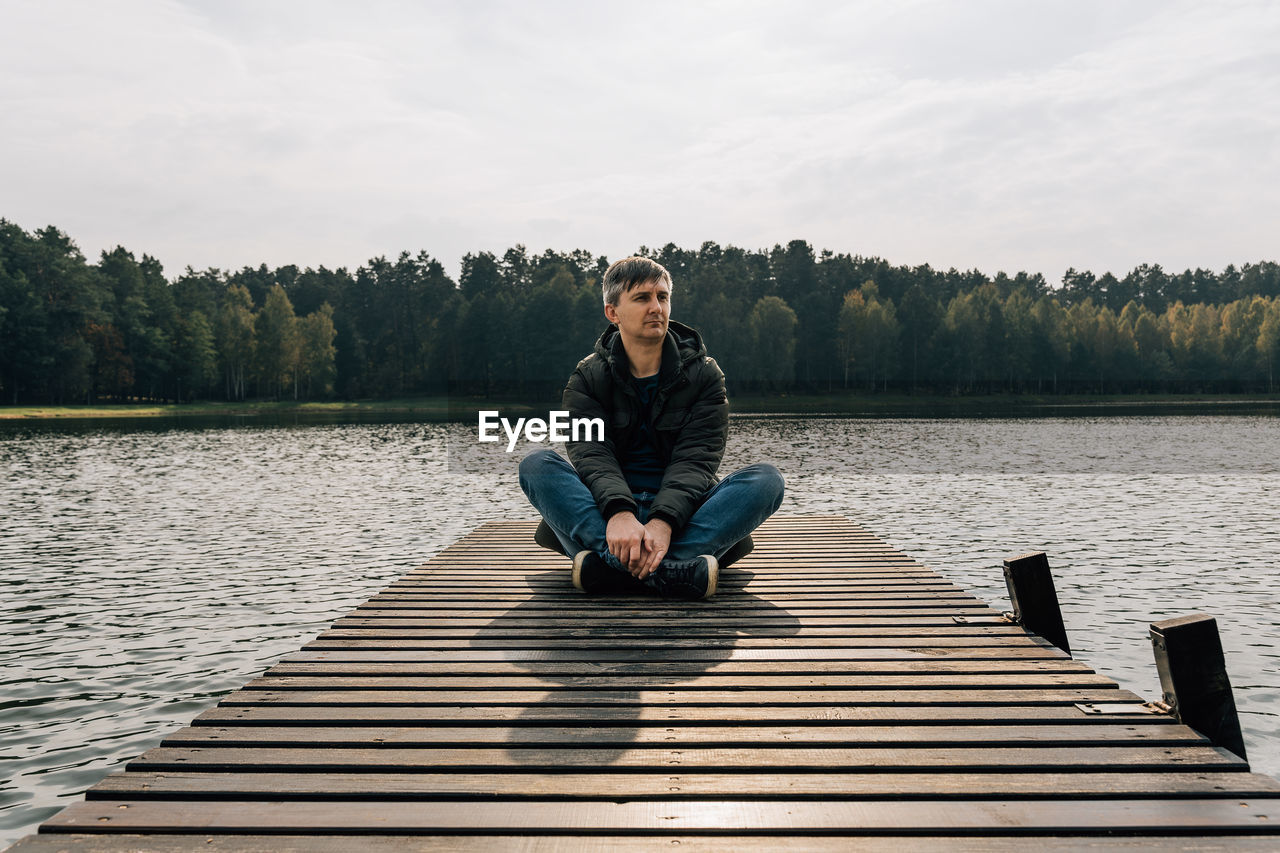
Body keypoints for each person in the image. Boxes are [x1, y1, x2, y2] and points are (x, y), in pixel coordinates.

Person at [518, 256, 784, 599]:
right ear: (613, 313)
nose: (656, 307)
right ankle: (675, 569)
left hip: (684, 513)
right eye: (642, 298)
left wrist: (663, 522)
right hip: (607, 514)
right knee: (536, 465)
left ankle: (610, 570)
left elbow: (696, 460)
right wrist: (619, 513)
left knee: (766, 480)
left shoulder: (704, 375)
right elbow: (592, 455)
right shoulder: (587, 378)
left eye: (662, 296)